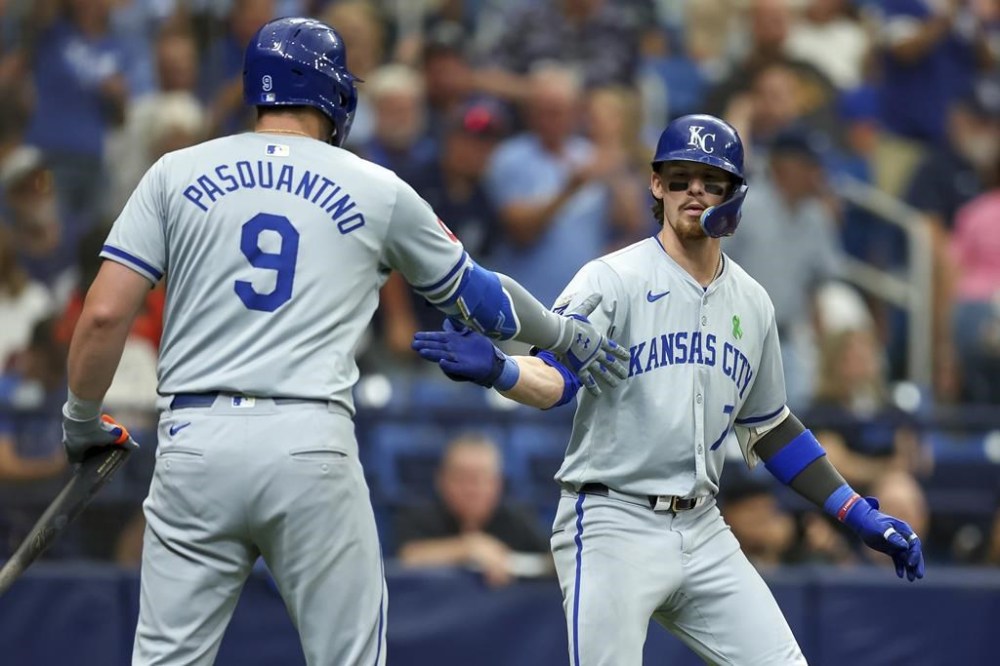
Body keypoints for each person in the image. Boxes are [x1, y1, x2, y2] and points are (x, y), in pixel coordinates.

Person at [59, 17, 628, 666]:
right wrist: (562, 333)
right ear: (333, 94)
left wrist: (81, 420)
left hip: (195, 438)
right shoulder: (375, 185)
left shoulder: (174, 171)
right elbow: (486, 302)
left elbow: (103, 316)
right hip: (309, 441)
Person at [413, 113, 925, 665]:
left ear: (735, 195)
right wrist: (500, 370)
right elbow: (556, 382)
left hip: (703, 524)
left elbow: (772, 427)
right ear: (657, 185)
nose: (694, 191)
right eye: (679, 178)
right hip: (612, 519)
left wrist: (856, 511)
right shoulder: (612, 278)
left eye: (711, 180)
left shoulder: (752, 302)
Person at [395, 432, 551, 588]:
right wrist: (469, 548)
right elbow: (407, 557)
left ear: (497, 484)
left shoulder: (516, 518)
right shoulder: (420, 514)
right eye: (462, 478)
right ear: (441, 480)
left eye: (480, 479)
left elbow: (553, 559)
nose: (471, 489)